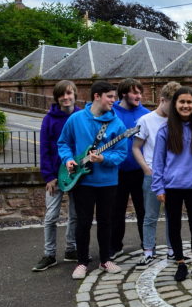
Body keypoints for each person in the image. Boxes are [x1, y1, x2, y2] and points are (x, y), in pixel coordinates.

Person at [58, 81, 128, 279]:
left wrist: (104, 158)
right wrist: (69, 159)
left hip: (108, 182)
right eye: (110, 96)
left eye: (114, 97)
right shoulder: (76, 119)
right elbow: (63, 143)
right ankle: (81, 263)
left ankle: (105, 259)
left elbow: (121, 153)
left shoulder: (118, 124)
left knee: (106, 222)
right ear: (97, 96)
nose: (114, 100)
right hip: (83, 182)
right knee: (83, 223)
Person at [151, 87, 192, 282]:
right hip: (172, 187)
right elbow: (158, 162)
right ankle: (180, 263)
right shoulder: (165, 130)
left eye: (189, 102)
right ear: (175, 105)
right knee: (174, 227)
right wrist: (159, 187)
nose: (186, 106)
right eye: (182, 102)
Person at [132, 81, 185, 269]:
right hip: (152, 176)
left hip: (172, 177)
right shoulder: (146, 120)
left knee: (173, 215)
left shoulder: (179, 120)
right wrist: (147, 169)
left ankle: (172, 249)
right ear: (162, 100)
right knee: (150, 215)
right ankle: (148, 251)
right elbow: (136, 147)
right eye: (173, 105)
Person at [33, 80, 81, 272]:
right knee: (51, 217)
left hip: (76, 175)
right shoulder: (49, 119)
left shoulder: (80, 117)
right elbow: (44, 149)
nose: (66, 97)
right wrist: (48, 176)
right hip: (55, 177)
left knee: (75, 215)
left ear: (75, 95)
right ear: (57, 97)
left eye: (69, 93)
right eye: (62, 94)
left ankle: (71, 249)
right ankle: (49, 254)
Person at [110, 78, 150, 259]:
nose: (139, 96)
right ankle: (115, 246)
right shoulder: (111, 112)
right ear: (124, 93)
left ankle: (147, 245)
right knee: (116, 211)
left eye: (140, 93)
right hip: (116, 171)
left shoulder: (146, 114)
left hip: (139, 171)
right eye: (135, 92)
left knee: (143, 210)